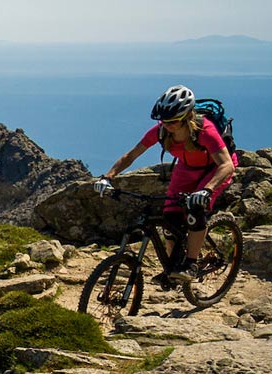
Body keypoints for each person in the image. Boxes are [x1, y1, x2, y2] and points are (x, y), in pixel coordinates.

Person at [98, 85, 237, 283]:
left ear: (187, 116)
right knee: (170, 218)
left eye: (173, 121)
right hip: (186, 169)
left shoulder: (205, 130)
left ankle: (190, 264)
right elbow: (131, 155)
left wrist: (206, 190)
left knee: (194, 211)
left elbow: (227, 165)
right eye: (164, 120)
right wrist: (108, 176)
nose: (167, 124)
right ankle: (173, 268)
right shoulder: (161, 131)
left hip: (214, 170)